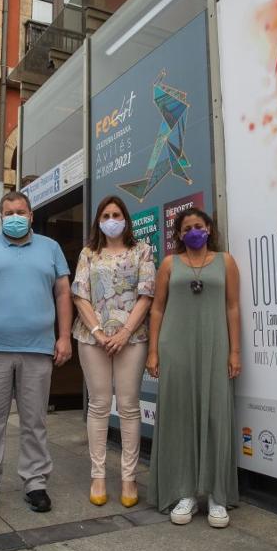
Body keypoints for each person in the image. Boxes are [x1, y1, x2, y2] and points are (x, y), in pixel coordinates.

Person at [0, 191, 71, 514]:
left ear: (32, 215)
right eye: (8, 212)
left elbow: (63, 293)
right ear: (0, 215)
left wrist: (64, 337)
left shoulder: (51, 248)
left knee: (35, 421)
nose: (15, 217)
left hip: (37, 349)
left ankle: (35, 482)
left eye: (20, 211)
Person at [146, 207, 241, 528]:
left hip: (215, 347)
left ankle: (216, 495)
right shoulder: (169, 264)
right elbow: (157, 309)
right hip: (176, 348)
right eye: (187, 228)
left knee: (217, 416)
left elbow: (232, 306)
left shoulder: (225, 262)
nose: (193, 232)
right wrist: (154, 352)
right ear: (179, 234)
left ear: (209, 228)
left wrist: (235, 351)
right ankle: (184, 492)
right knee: (180, 417)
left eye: (198, 226)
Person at [71, 195, 153, 507]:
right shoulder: (88, 253)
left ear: (126, 218)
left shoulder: (142, 250)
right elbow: (80, 296)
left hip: (132, 338)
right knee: (99, 405)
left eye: (117, 214)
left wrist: (125, 332)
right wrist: (97, 331)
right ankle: (98, 475)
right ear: (98, 221)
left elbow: (146, 295)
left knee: (130, 406)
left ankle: (129, 479)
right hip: (93, 339)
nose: (111, 219)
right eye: (106, 214)